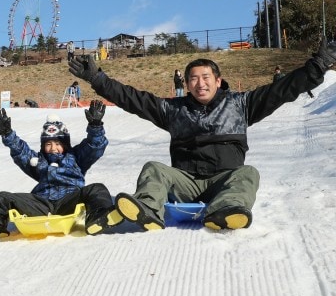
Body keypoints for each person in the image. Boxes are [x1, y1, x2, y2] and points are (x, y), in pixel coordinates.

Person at [68, 41, 336, 231]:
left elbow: (284, 90)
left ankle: (227, 209)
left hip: (224, 180)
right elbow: (131, 98)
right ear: (186, 84)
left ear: (218, 81)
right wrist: (97, 78)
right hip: (186, 182)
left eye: (206, 77)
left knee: (249, 173)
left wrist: (318, 66)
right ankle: (148, 209)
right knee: (154, 169)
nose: (200, 83)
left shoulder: (242, 105)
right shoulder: (173, 110)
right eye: (193, 79)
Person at [0, 103, 119, 241]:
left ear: (65, 144)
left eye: (58, 143)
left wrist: (95, 126)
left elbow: (94, 146)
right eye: (48, 143)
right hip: (42, 203)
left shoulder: (76, 156)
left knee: (97, 189)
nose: (53, 148)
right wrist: (7, 133)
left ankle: (99, 216)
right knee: (1, 198)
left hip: (70, 200)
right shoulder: (38, 160)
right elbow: (21, 151)